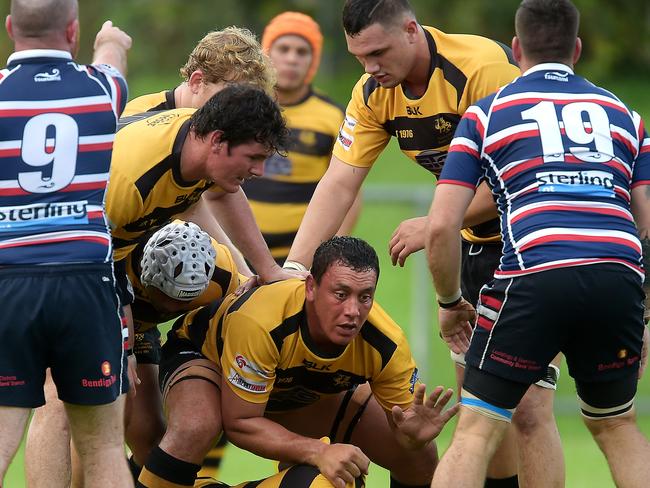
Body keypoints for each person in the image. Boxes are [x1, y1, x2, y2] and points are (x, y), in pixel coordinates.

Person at [284, 1, 562, 486]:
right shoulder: (373, 92)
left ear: (412, 30)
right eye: (358, 57)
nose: (370, 68)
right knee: (481, 412)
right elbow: (339, 182)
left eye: (378, 52)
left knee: (528, 410)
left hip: (534, 239)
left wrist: (438, 221)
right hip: (470, 247)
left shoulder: (482, 68)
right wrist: (293, 267)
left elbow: (522, 176)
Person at [426, 1, 650, 486]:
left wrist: (449, 302)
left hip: (534, 274)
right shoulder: (627, 117)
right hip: (618, 278)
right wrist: (644, 314)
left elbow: (442, 225)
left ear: (515, 48)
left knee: (476, 431)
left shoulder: (487, 113)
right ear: (577, 49)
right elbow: (645, 228)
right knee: (617, 425)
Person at [146, 236, 458, 488]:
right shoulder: (262, 322)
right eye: (340, 294)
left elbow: (408, 435)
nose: (353, 311)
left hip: (293, 388)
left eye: (365, 297)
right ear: (310, 287)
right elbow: (240, 423)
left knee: (420, 458)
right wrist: (319, 451)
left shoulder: (386, 344)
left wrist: (411, 438)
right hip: (209, 358)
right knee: (197, 425)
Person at [0, 0, 132, 486]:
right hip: (86, 283)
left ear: (11, 27)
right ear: (72, 31)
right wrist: (111, 40)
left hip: (8, 281)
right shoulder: (103, 88)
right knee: (101, 447)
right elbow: (112, 58)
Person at [242, 12, 359, 264]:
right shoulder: (239, 107)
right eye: (283, 49)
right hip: (236, 254)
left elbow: (349, 191)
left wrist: (329, 255)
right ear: (266, 54)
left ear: (313, 59)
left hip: (299, 261)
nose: (292, 59)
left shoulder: (334, 116)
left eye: (302, 51)